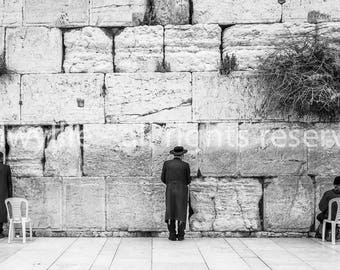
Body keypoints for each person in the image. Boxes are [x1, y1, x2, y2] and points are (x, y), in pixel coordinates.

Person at [161, 146, 191, 241]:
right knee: (181, 211)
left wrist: (170, 184)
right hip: (182, 189)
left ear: (173, 154)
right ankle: (181, 235)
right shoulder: (185, 165)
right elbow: (188, 180)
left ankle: (172, 235)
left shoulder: (167, 164)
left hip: (170, 189)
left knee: (170, 210)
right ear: (182, 154)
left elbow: (163, 178)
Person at [0, 152, 12, 238]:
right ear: (1, 158)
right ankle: (0, 231)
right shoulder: (6, 168)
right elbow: (9, 183)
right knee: (2, 212)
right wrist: (10, 196)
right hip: (3, 193)